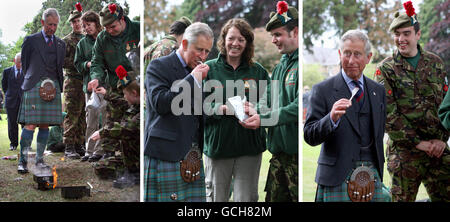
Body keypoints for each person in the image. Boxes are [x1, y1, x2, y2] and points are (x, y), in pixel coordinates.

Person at [375, 1, 450, 202]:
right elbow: (389, 116)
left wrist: (442, 140)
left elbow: (446, 106)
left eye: (406, 33)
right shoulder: (386, 70)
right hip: (405, 153)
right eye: (397, 34)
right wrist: (421, 144)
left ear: (417, 34)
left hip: (438, 150)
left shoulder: (436, 64)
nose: (401, 39)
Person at [304, 29, 387, 202]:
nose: (351, 60)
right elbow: (309, 135)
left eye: (357, 54)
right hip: (336, 177)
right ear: (340, 54)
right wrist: (331, 118)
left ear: (368, 57)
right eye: (347, 53)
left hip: (372, 174)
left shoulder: (378, 91)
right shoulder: (322, 90)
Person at [144, 22, 213, 202]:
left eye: (207, 52)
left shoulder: (198, 72)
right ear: (184, 44)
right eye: (199, 50)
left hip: (193, 154)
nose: (203, 57)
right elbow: (160, 103)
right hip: (166, 152)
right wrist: (192, 79)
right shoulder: (158, 66)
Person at [203, 18, 269, 202]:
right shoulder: (208, 70)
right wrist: (222, 109)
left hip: (249, 149)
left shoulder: (258, 72)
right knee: (216, 199)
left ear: (247, 43)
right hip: (218, 149)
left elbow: (269, 104)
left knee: (246, 200)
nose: (235, 43)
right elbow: (198, 108)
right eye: (231, 38)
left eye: (241, 39)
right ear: (223, 40)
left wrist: (257, 109)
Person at [241, 1, 298, 202]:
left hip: (296, 159)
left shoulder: (301, 65)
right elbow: (269, 97)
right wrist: (254, 108)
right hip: (278, 157)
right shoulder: (282, 64)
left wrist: (263, 118)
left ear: (296, 32)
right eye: (272, 35)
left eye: (278, 34)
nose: (273, 40)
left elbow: (297, 107)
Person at [87, 3, 139, 172]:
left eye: (113, 26)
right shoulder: (102, 39)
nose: (109, 30)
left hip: (135, 85)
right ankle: (109, 155)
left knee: (134, 123)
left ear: (122, 19)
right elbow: (97, 63)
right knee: (113, 118)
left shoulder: (137, 29)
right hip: (116, 85)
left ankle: (134, 160)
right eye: (106, 27)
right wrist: (95, 78)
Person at [17, 8, 66, 174]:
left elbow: (59, 67)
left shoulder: (61, 44)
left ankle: (39, 160)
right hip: (34, 85)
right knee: (30, 124)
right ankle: (23, 161)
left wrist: (59, 85)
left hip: (53, 86)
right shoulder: (30, 40)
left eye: (55, 25)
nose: (52, 28)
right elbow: (24, 63)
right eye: (50, 24)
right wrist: (30, 82)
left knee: (45, 124)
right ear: (43, 22)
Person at [91, 70, 140, 188]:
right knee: (100, 167)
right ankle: (128, 170)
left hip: (139, 156)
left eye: (125, 93)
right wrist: (106, 94)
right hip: (128, 156)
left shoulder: (143, 108)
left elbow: (128, 129)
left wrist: (102, 132)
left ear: (134, 93)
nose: (124, 97)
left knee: (127, 135)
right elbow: (122, 101)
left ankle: (135, 173)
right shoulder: (134, 103)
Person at [74, 10, 106, 162]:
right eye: (84, 25)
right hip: (90, 87)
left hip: (105, 85)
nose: (86, 28)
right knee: (91, 119)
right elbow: (77, 63)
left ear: (96, 23)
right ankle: (89, 151)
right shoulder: (82, 43)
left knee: (106, 118)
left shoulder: (106, 38)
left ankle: (101, 151)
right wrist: (87, 64)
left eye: (89, 24)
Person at [62, 3, 86, 159]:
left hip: (86, 81)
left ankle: (80, 144)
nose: (77, 24)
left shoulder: (90, 39)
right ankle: (69, 146)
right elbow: (62, 62)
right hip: (72, 81)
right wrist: (79, 62)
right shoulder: (66, 41)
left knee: (83, 114)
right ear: (71, 23)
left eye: (79, 21)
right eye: (74, 22)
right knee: (72, 114)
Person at [2, 53, 24, 151]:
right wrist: (10, 95)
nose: (21, 63)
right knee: (12, 124)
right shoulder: (6, 72)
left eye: (22, 61)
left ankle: (25, 143)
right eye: (19, 61)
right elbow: (4, 86)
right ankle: (13, 144)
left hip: (24, 101)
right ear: (14, 61)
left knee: (25, 123)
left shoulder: (27, 70)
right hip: (11, 101)